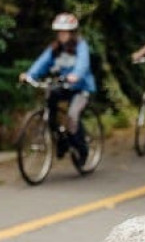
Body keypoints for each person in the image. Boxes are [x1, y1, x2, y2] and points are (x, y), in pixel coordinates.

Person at [20, 12, 96, 157]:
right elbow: (42, 62)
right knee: (50, 104)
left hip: (80, 88)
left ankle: (82, 149)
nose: (61, 35)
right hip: (63, 86)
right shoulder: (55, 49)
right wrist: (29, 75)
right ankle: (60, 139)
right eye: (59, 32)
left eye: (65, 32)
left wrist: (75, 75)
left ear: (72, 33)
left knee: (72, 115)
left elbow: (83, 63)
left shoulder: (81, 46)